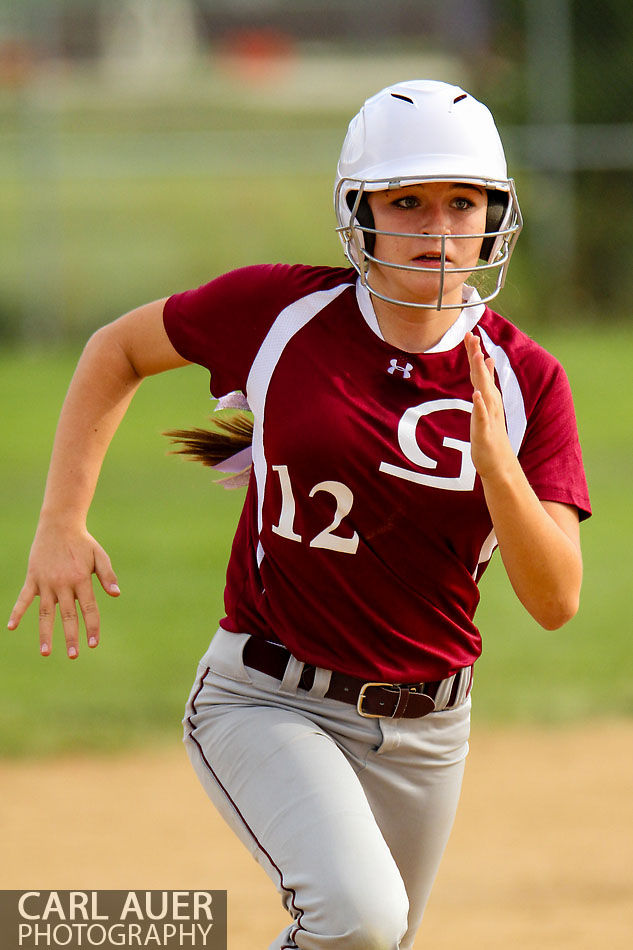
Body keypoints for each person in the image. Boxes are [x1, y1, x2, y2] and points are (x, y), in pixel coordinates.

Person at [8, 79, 591, 949]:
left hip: (430, 726)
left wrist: (497, 463)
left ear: (494, 215)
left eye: (461, 203)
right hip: (268, 698)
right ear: (357, 213)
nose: (437, 232)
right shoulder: (283, 314)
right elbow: (116, 349)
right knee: (358, 922)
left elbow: (554, 601)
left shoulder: (525, 379)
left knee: (367, 941)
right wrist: (61, 519)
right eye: (407, 202)